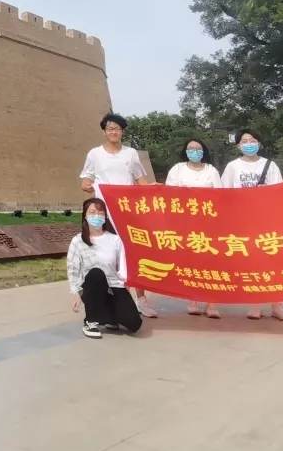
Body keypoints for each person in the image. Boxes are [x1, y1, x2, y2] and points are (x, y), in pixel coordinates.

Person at [80, 113, 158, 318]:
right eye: (109, 128)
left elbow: (141, 181)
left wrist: (154, 189)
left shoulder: (130, 154)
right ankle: (114, 301)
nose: (113, 132)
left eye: (117, 128)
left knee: (134, 254)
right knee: (109, 256)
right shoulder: (95, 154)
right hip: (104, 212)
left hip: (128, 212)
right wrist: (87, 185)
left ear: (122, 131)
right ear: (104, 131)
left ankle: (141, 300)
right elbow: (85, 181)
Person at [221, 129, 283, 323]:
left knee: (273, 262)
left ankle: (278, 305)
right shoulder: (233, 167)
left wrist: (267, 193)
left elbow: (280, 192)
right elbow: (224, 194)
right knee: (252, 262)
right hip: (243, 221)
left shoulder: (270, 165)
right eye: (244, 141)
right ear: (238, 146)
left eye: (252, 140)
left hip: (267, 220)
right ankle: (255, 303)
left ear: (259, 144)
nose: (249, 144)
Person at [67, 198, 144, 339]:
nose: (96, 216)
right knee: (96, 273)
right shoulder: (78, 241)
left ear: (105, 216)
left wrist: (125, 295)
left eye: (100, 212)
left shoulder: (115, 240)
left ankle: (110, 318)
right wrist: (75, 293)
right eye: (92, 212)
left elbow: (122, 269)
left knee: (135, 324)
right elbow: (73, 270)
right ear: (85, 216)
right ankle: (90, 321)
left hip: (113, 285)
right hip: (92, 287)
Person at [165, 139, 223, 319]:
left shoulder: (211, 170)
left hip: (208, 222)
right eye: (190, 149)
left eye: (198, 149)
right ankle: (193, 300)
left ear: (203, 151)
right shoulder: (177, 169)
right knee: (191, 261)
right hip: (185, 222)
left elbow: (220, 195)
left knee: (211, 261)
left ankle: (212, 302)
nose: (194, 151)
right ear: (185, 151)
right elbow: (168, 194)